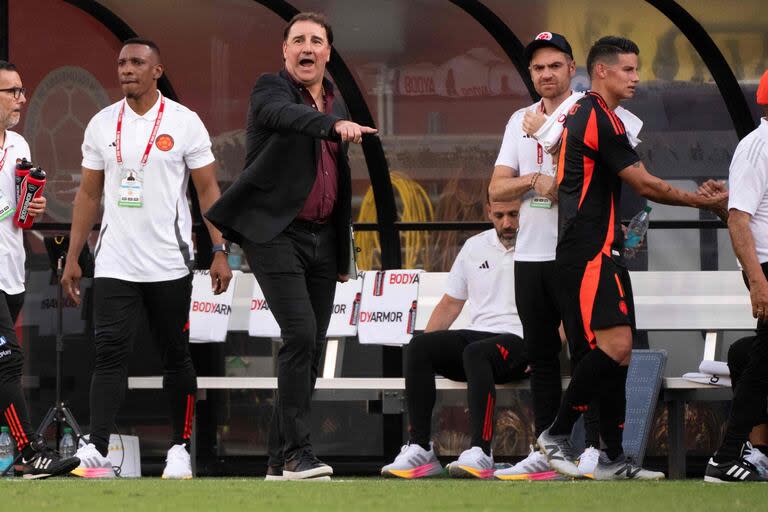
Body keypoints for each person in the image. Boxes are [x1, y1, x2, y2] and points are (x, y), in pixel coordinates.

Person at [536, 36, 726, 480]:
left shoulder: (603, 117)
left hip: (605, 250)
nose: (636, 77)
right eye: (627, 69)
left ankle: (613, 457)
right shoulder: (594, 116)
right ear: (601, 71)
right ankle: (557, 433)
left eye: (637, 69)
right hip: (587, 253)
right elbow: (646, 185)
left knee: (619, 356)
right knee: (614, 347)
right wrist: (705, 203)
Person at [204, 12, 376, 481]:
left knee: (311, 345)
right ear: (285, 51)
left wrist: (343, 255)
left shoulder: (335, 103)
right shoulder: (271, 90)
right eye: (297, 40)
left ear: (327, 53)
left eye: (315, 41)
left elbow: (338, 187)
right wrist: (330, 126)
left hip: (324, 239)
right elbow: (285, 117)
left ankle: (280, 460)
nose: (306, 47)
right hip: (276, 233)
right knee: (300, 333)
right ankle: (300, 453)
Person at [61, 38, 232, 479]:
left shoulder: (184, 121)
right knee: (109, 355)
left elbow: (208, 191)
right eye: (121, 63)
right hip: (116, 261)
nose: (126, 70)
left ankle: (179, 449)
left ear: (158, 70)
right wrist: (75, 255)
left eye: (137, 62)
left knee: (175, 357)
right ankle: (97, 449)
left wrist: (219, 249)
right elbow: (88, 193)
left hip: (169, 264)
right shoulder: (101, 123)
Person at [490, 32, 608, 479]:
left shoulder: (586, 112)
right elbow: (496, 187)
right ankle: (546, 450)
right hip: (530, 255)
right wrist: (532, 181)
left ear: (572, 67)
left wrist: (551, 180)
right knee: (540, 355)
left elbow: (576, 186)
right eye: (538, 68)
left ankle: (595, 448)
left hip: (575, 253)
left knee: (585, 351)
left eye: (554, 65)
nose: (545, 74)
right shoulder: (518, 117)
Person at [380, 198, 529, 480]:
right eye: (499, 215)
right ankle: (421, 449)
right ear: (488, 212)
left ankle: (481, 452)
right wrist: (424, 355)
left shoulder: (539, 245)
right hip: (480, 341)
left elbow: (560, 307)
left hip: (521, 341)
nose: (507, 223)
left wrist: (548, 349)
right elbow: (450, 304)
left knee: (476, 352)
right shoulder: (474, 247)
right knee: (420, 346)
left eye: (514, 214)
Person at [0, 60, 81, 479]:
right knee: (7, 361)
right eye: (12, 91)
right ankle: (30, 453)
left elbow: (20, 218)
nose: (22, 99)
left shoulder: (19, 146)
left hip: (11, 270)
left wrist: (33, 209)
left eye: (22, 90)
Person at [701, 69, 768, 482]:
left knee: (749, 355)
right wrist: (758, 280)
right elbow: (739, 220)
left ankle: (756, 452)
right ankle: (725, 458)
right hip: (767, 268)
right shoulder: (759, 147)